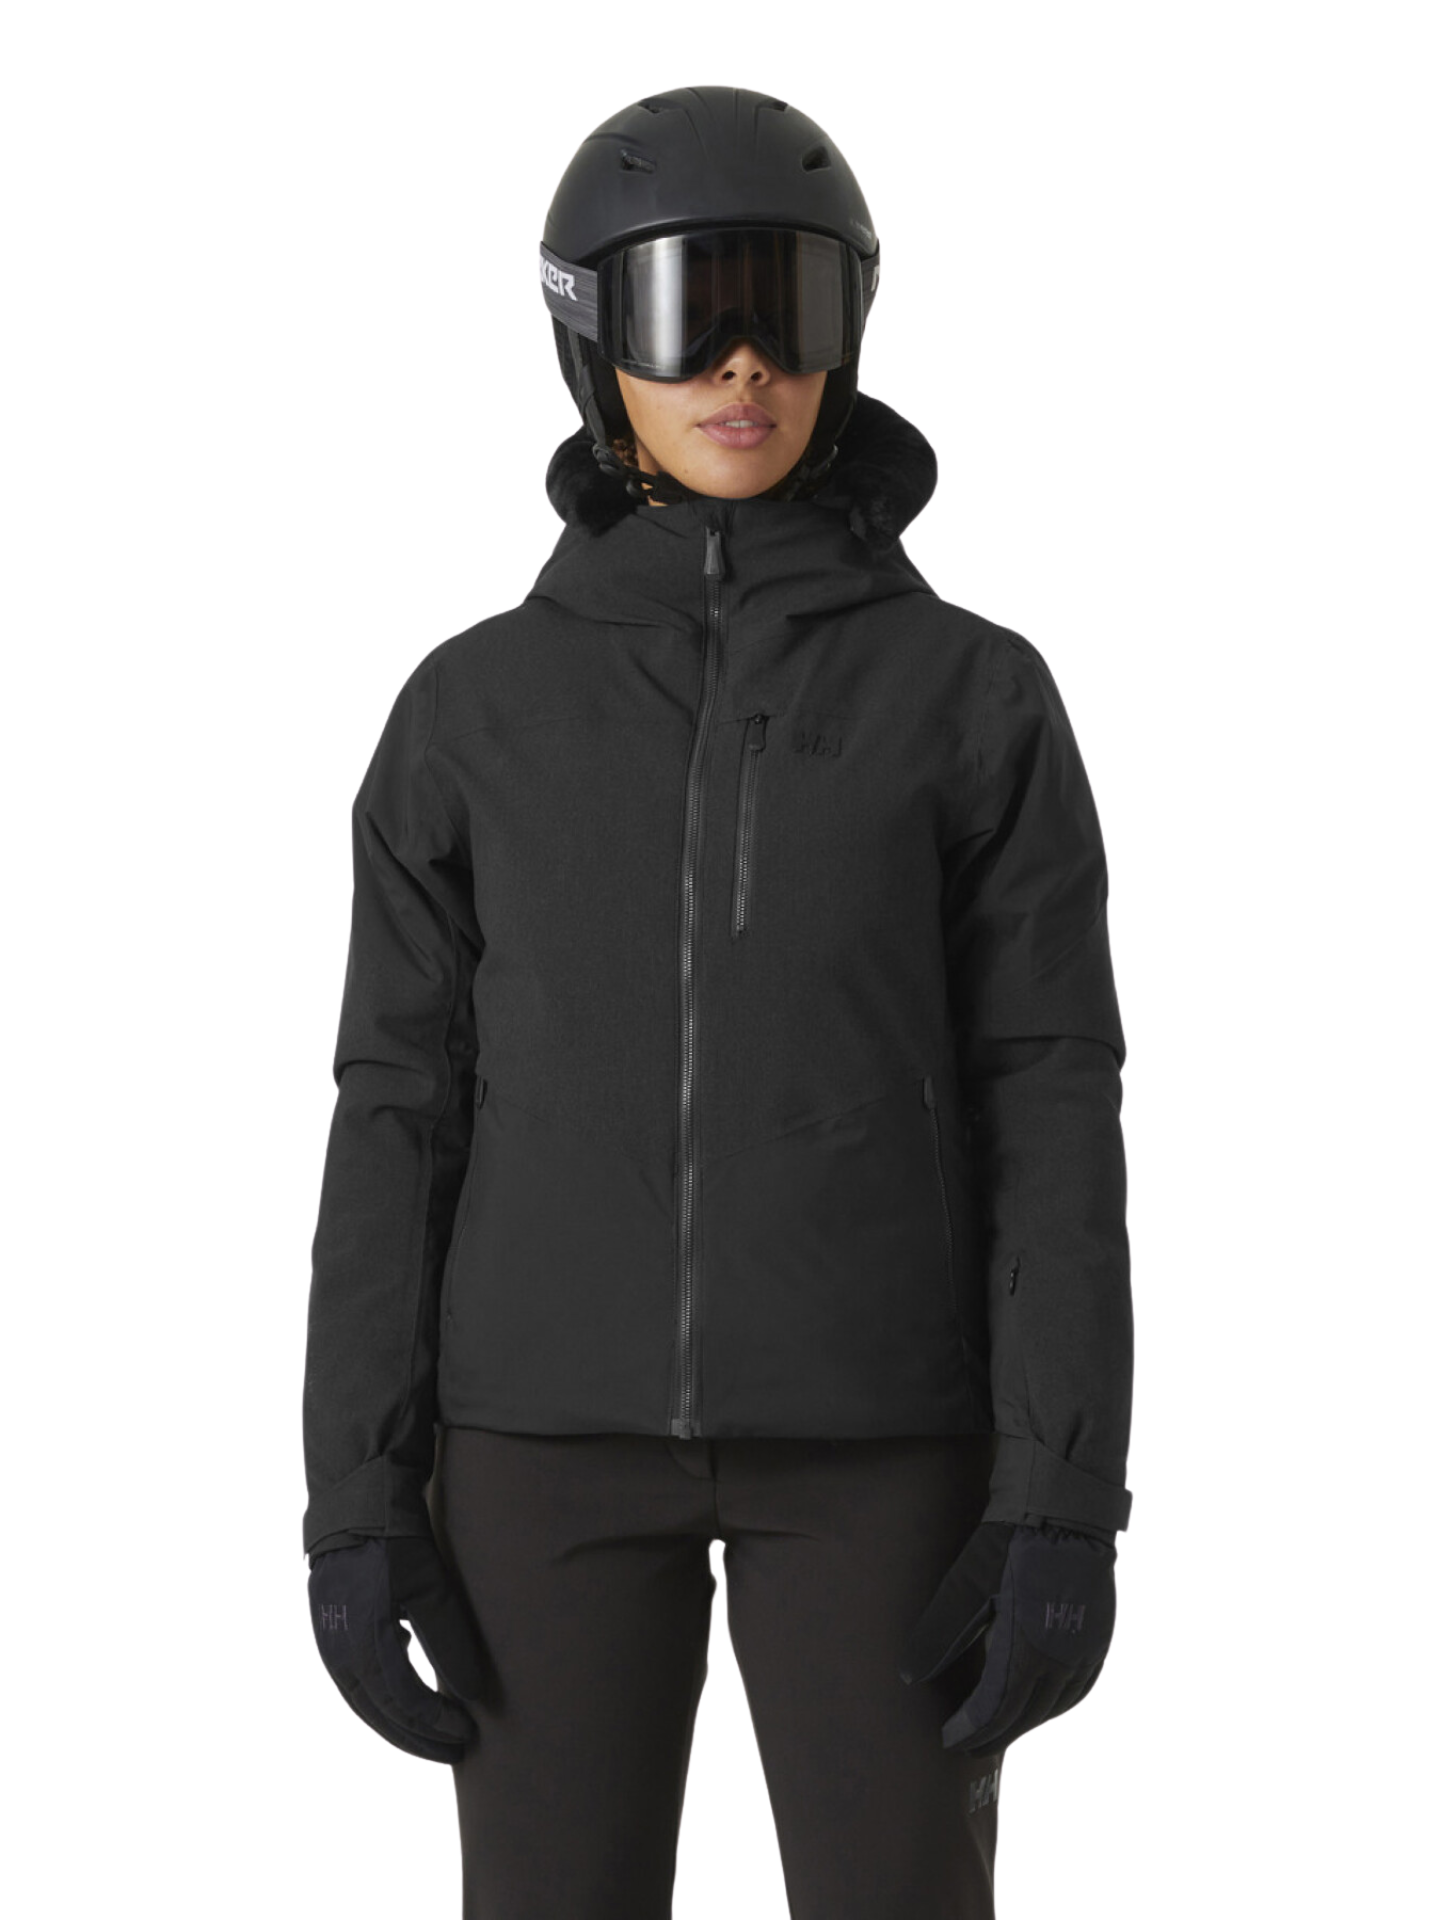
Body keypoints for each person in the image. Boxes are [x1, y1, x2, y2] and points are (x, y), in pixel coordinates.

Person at [301, 84, 1134, 1920]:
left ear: (851, 331)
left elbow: (1051, 1092)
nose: (743, 362)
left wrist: (1063, 1492)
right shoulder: (471, 714)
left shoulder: (974, 700)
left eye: (789, 306)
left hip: (884, 1443)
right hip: (535, 1453)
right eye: (688, 310)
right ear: (592, 341)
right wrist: (355, 1494)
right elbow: (395, 1109)